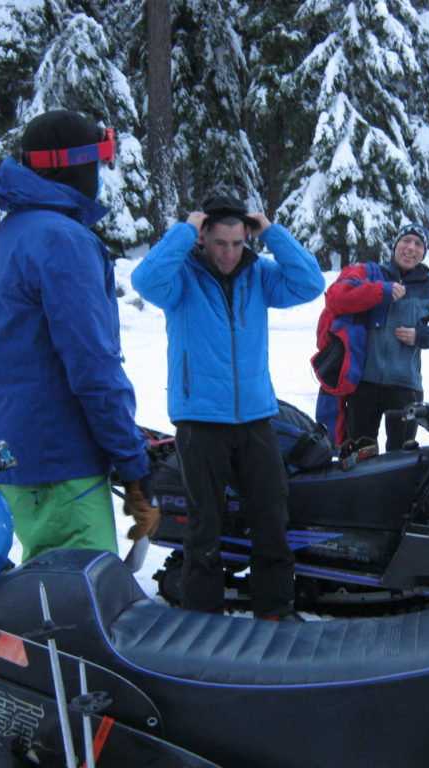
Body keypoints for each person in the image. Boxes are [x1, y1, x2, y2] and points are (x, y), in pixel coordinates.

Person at [0, 109, 158, 563]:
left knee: (50, 596)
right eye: (98, 163)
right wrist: (132, 464)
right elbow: (93, 365)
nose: (100, 176)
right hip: (59, 462)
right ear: (77, 165)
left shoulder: (12, 231)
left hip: (25, 457)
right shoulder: (61, 239)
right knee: (77, 609)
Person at [131, 195, 324, 620]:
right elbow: (144, 280)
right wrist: (184, 229)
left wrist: (272, 233)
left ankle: (274, 608)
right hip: (200, 419)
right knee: (205, 524)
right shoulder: (180, 277)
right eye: (220, 243)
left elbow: (311, 283)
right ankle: (204, 614)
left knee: (272, 518)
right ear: (203, 237)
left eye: (238, 243)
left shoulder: (259, 274)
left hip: (256, 417)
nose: (229, 253)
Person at [314, 224, 429, 450]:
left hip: (405, 388)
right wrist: (380, 290)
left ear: (423, 252)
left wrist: (419, 335)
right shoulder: (372, 276)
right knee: (359, 455)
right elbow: (337, 298)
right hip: (364, 385)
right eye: (406, 241)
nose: (411, 247)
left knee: (401, 458)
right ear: (395, 246)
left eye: (418, 244)